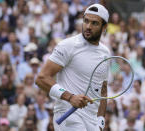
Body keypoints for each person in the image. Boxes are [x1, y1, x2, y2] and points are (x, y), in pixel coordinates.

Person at [35, 3, 110, 131]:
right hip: (67, 115)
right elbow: (41, 79)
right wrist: (70, 97)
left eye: (94, 23)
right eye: (86, 21)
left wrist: (100, 122)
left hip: (92, 121)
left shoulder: (105, 53)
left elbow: (102, 91)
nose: (88, 26)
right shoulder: (68, 45)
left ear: (104, 27)